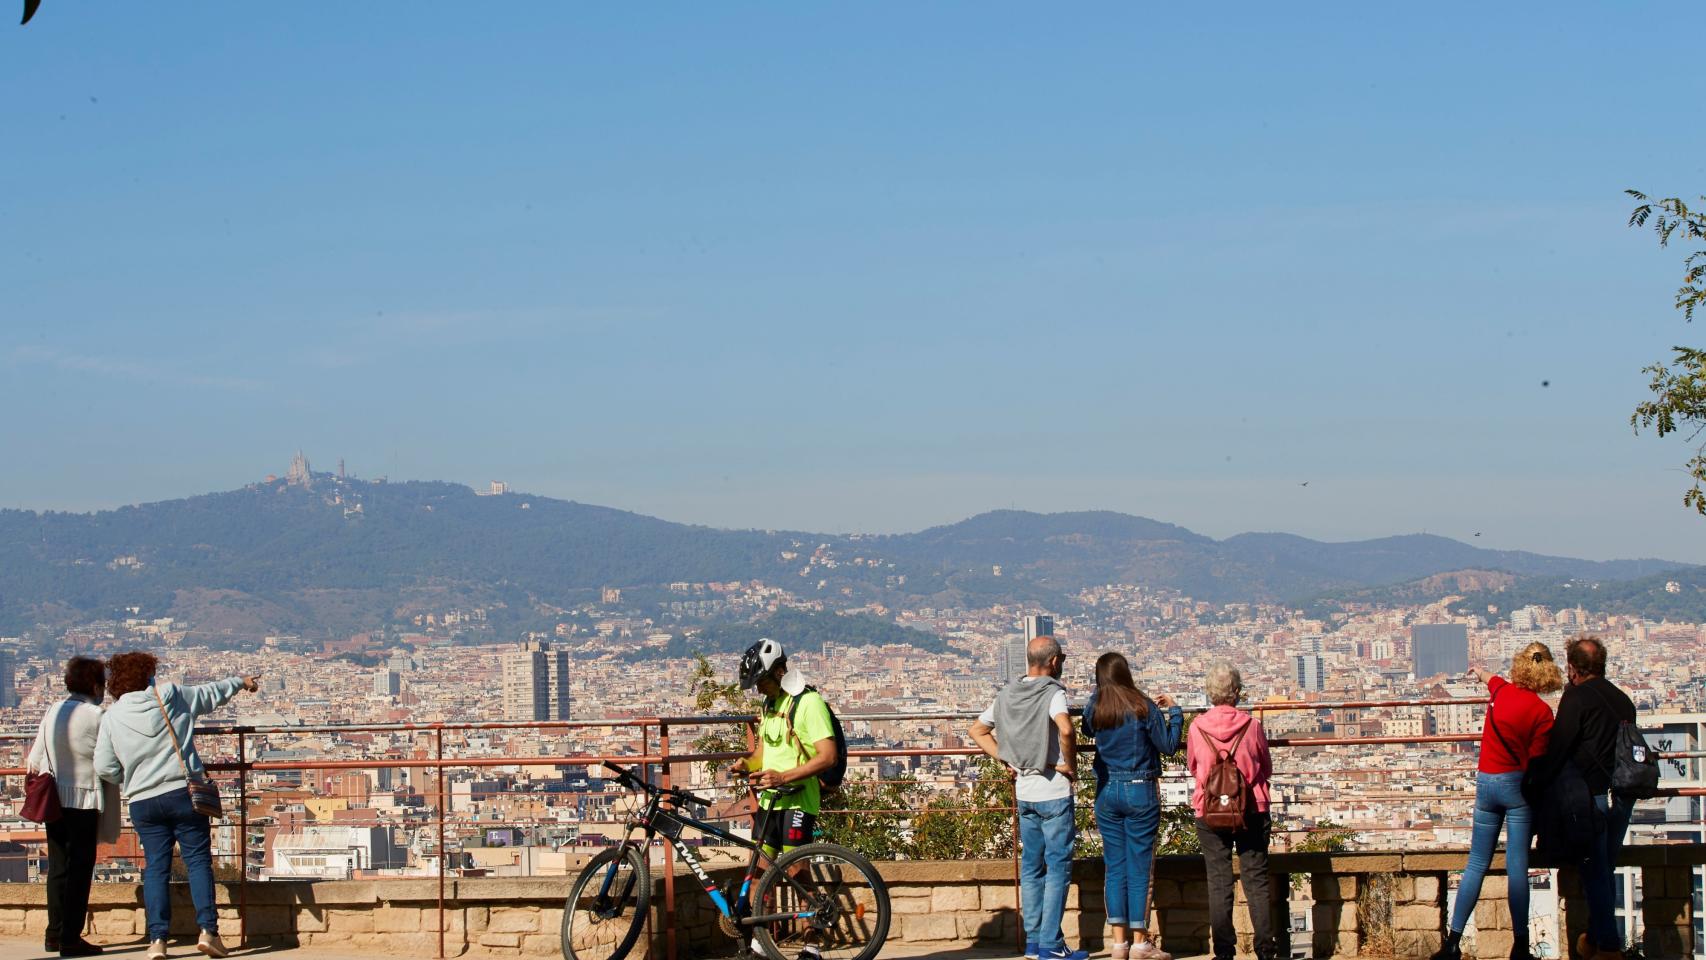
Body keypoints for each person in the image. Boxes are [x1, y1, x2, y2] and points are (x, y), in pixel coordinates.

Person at [94, 653, 259, 960]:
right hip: (182, 792)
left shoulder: (111, 718)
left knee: (156, 868)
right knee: (197, 861)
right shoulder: (169, 696)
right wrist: (240, 682)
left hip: (143, 799)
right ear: (147, 676)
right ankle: (208, 932)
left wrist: (129, 773)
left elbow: (104, 766)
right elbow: (211, 694)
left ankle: (157, 939)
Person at [1433, 642, 1562, 960]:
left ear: (1518, 667)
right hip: (1517, 789)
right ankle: (1520, 946)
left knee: (1476, 863)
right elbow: (1538, 761)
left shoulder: (1500, 692)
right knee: (1517, 868)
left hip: (1486, 784)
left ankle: (1453, 942)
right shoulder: (1542, 713)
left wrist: (1478, 671)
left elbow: (1490, 678)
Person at [970, 636, 1085, 960]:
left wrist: (1005, 759)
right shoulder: (1052, 692)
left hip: (1024, 792)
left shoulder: (1007, 693)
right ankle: (1051, 943)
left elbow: (976, 730)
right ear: (1053, 662)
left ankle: (1035, 942)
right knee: (1058, 868)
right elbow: (1065, 729)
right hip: (1053, 792)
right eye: (1061, 658)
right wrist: (1070, 766)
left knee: (1032, 867)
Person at [1530, 636, 1636, 960]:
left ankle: (1608, 947)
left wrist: (1535, 785)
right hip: (1622, 797)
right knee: (1605, 868)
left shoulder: (1576, 699)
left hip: (1591, 798)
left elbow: (1558, 748)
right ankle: (1595, 939)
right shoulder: (1624, 700)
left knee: (1594, 871)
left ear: (1573, 667)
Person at [734, 638, 837, 960]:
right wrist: (747, 764)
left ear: (780, 672)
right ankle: (760, 947)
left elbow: (828, 756)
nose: (759, 688)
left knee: (797, 873)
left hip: (797, 803)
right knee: (759, 872)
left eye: (762, 680)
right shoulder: (768, 705)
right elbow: (765, 751)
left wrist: (784, 777)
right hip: (769, 803)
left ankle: (812, 945)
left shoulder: (809, 704)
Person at [1084, 652, 1182, 960]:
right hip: (1140, 790)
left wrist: (1097, 693)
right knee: (1140, 868)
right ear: (1126, 674)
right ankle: (1141, 943)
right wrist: (1176, 712)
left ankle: (1118, 944)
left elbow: (1087, 729)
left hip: (1107, 790)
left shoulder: (1096, 707)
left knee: (1115, 868)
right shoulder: (1144, 706)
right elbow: (1168, 745)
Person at [26, 657, 119, 958]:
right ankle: (71, 938)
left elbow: (35, 759)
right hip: (84, 799)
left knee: (58, 867)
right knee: (80, 869)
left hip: (54, 798)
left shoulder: (53, 710)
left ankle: (53, 934)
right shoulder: (97, 716)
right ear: (95, 685)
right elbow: (108, 762)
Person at [1185, 662, 1274, 960]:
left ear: (1210, 693)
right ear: (1236, 692)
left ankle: (1224, 952)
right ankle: (1265, 950)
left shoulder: (1197, 727)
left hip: (1210, 810)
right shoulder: (1252, 725)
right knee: (1256, 880)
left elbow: (1194, 767)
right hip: (1252, 808)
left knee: (1219, 880)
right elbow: (1266, 767)